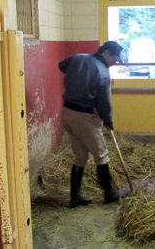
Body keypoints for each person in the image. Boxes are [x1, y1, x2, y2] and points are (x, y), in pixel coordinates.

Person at [59, 41, 130, 208]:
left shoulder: (79, 58)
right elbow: (103, 103)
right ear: (105, 53)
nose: (114, 63)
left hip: (67, 111)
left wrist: (77, 75)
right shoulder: (103, 74)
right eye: (113, 58)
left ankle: (75, 197)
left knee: (81, 156)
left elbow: (62, 66)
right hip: (83, 115)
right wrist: (108, 120)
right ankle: (109, 192)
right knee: (101, 154)